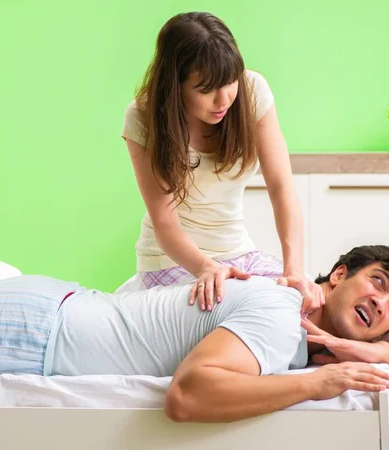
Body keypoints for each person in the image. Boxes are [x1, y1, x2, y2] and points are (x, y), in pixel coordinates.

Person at [0, 245, 389, 423]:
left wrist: (357, 350)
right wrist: (318, 382)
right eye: (377, 282)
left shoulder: (304, 332)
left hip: (48, 310)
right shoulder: (280, 315)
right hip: (30, 332)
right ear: (339, 275)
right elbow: (189, 394)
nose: (381, 302)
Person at [120, 11, 323, 313]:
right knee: (241, 310)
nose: (224, 99)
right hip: (173, 260)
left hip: (238, 252)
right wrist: (206, 267)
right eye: (206, 89)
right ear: (174, 85)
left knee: (313, 305)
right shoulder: (144, 117)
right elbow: (164, 223)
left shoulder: (253, 92)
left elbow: (281, 187)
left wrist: (293, 269)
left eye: (230, 82)